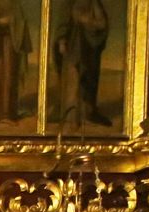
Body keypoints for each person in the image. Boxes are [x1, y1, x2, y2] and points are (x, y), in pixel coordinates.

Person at [51, 0, 110, 128]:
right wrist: (62, 40)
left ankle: (86, 113)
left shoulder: (94, 3)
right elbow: (63, 22)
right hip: (72, 47)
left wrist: (87, 21)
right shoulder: (68, 3)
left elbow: (102, 24)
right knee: (72, 80)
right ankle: (70, 116)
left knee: (87, 81)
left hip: (89, 50)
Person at [0, 0, 32, 125]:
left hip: (11, 45)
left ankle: (7, 114)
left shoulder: (15, 5)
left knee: (9, 78)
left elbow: (21, 23)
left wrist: (12, 22)